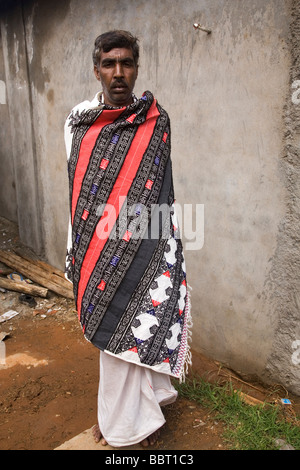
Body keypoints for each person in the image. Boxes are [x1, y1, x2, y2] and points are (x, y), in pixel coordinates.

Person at [64, 30, 192, 448]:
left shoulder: (157, 120)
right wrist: (79, 248)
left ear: (137, 67)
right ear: (96, 69)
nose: (118, 72)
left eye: (127, 63)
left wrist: (165, 249)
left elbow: (161, 191)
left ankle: (148, 409)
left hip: (147, 244)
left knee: (144, 325)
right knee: (113, 334)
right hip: (99, 249)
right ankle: (122, 426)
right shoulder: (78, 123)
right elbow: (80, 190)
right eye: (109, 63)